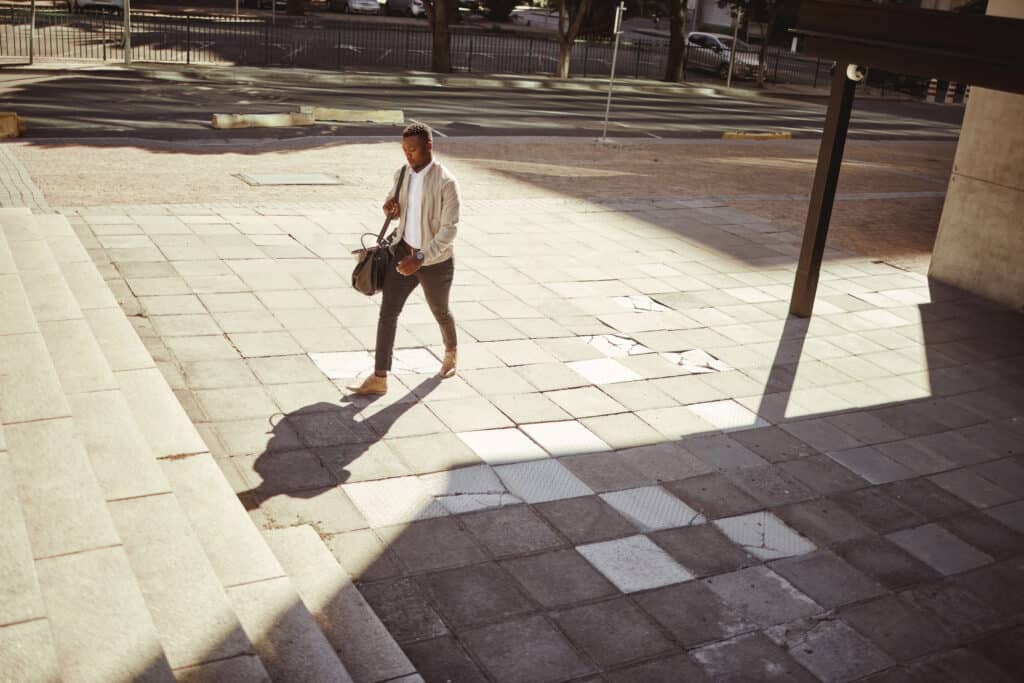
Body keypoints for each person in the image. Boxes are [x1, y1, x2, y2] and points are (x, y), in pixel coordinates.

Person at [349, 123, 460, 395]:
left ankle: (451, 351)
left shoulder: (446, 183)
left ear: (428, 146)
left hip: (434, 263)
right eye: (404, 150)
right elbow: (393, 202)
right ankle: (379, 377)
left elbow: (450, 231)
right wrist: (391, 207)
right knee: (388, 313)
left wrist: (421, 258)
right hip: (402, 253)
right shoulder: (402, 174)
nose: (407, 155)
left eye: (412, 150)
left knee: (440, 311)